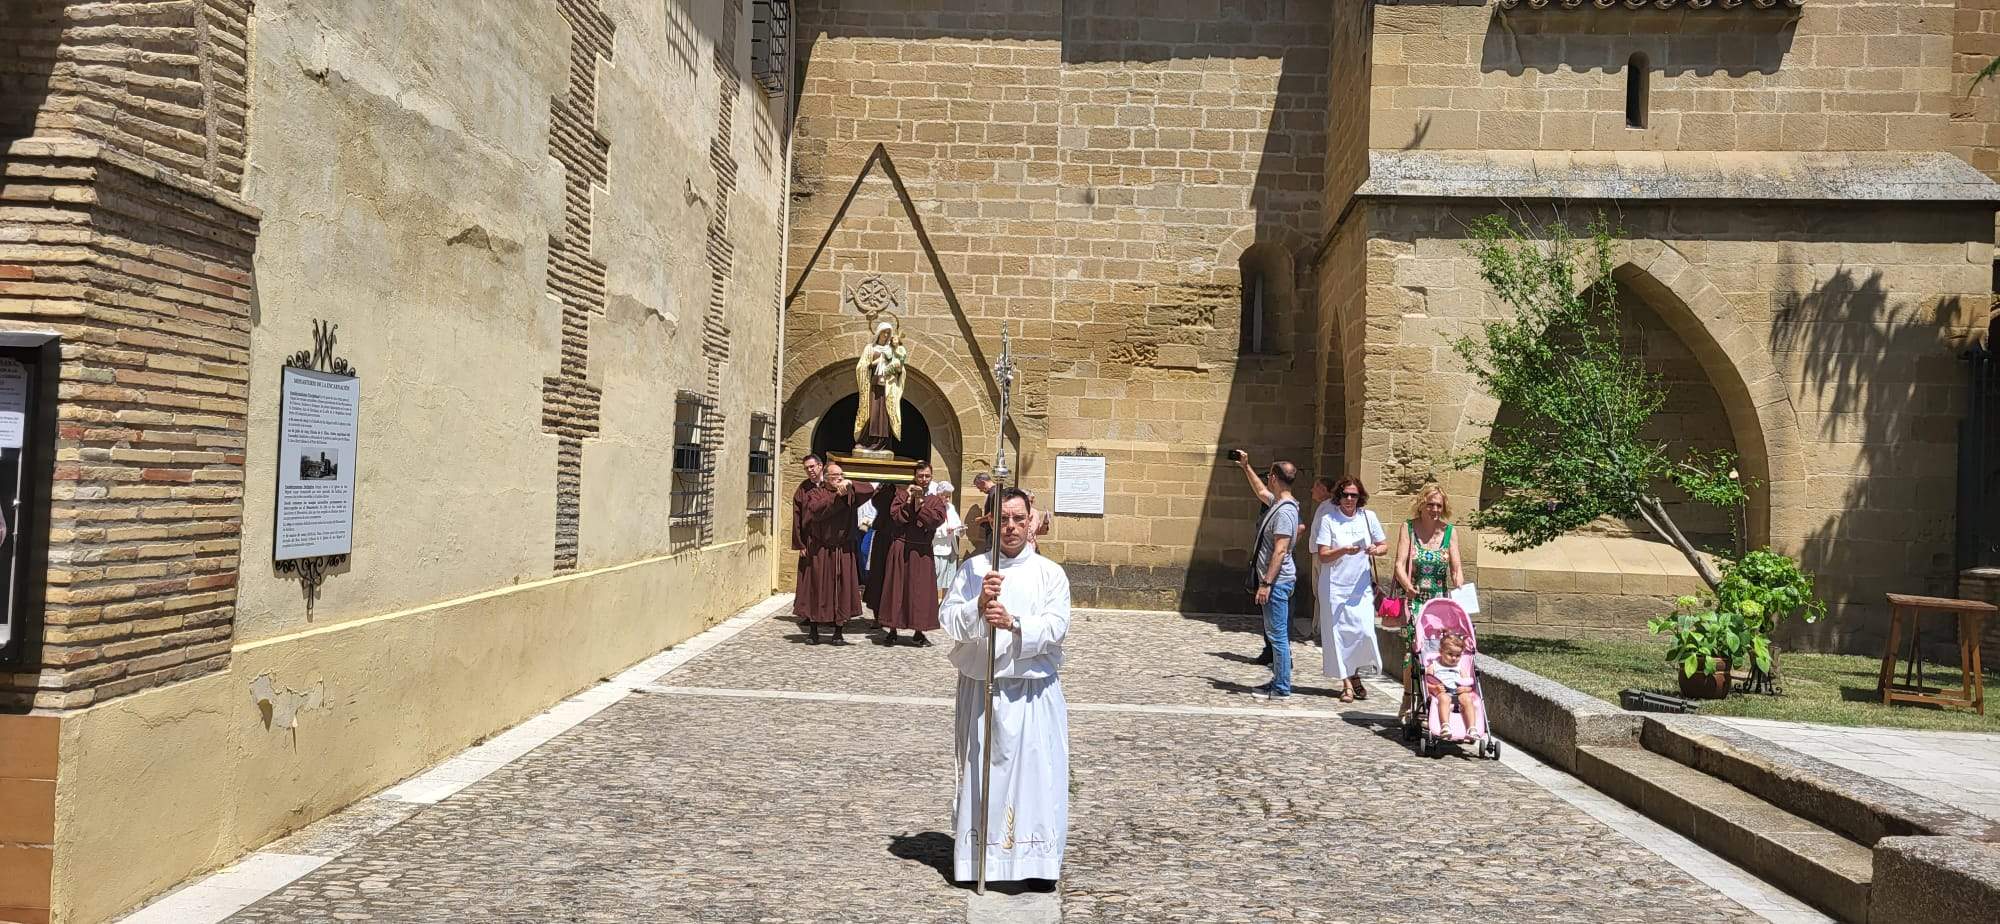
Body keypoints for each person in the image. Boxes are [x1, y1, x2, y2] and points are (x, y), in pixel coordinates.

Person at [940, 488, 1070, 885]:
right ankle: (983, 861)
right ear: (990, 522)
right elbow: (948, 619)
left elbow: (1057, 625)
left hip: (1031, 692)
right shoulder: (975, 569)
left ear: (1031, 521)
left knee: (1036, 773)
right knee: (984, 772)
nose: (1011, 527)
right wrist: (977, 607)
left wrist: (1015, 624)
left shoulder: (1050, 573)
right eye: (1003, 519)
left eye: (1019, 518)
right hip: (983, 690)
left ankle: (1034, 862)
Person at [1313, 474, 1387, 703]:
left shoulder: (1368, 517)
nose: (1349, 499)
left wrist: (1376, 549)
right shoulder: (1329, 519)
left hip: (1361, 586)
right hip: (1334, 586)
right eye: (1345, 495)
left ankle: (1356, 674)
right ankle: (1346, 682)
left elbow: (1384, 545)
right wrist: (1343, 550)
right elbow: (1323, 555)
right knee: (1337, 635)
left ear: (1360, 497)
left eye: (1353, 495)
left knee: (1364, 631)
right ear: (1338, 496)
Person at [1233, 452, 1299, 703]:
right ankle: (1278, 680)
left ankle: (1282, 686)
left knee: (1278, 636)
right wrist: (1246, 467)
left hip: (1278, 583)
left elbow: (1280, 550)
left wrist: (1267, 583)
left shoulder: (1285, 512)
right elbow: (1261, 493)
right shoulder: (1280, 504)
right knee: (1275, 634)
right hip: (1276, 582)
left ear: (1274, 477)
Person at [792, 461, 875, 644]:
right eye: (835, 476)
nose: (838, 478)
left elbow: (869, 490)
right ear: (827, 478)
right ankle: (813, 631)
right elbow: (815, 510)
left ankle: (838, 631)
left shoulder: (849, 491)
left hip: (841, 548)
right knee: (817, 587)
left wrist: (851, 483)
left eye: (840, 475)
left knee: (840, 589)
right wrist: (837, 495)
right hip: (820, 548)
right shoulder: (815, 492)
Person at [875, 463, 950, 646]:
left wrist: (921, 505)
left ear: (931, 477)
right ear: (915, 476)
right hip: (901, 547)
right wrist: (910, 501)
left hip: (922, 550)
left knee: (919, 591)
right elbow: (896, 517)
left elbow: (935, 520)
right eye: (920, 476)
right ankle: (892, 629)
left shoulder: (936, 500)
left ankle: (919, 630)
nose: (923, 479)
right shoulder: (902, 495)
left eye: (927, 476)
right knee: (896, 587)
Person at [1395, 482, 1465, 609]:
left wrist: (1458, 582)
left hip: (1439, 605)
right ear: (1421, 505)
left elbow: (1456, 569)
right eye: (1430, 504)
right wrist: (1407, 586)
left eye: (1439, 505)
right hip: (1412, 602)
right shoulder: (1408, 528)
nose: (1435, 509)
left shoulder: (1450, 532)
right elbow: (1399, 565)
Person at [1426, 632, 1482, 743]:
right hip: (1442, 692)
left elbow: (1469, 684)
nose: (1454, 658)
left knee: (1467, 699)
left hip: (1458, 691)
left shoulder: (1460, 668)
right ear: (1441, 652)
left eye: (1457, 655)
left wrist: (1466, 689)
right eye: (1450, 654)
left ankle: (1472, 728)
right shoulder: (1433, 666)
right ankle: (1445, 726)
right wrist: (1434, 688)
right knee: (1444, 699)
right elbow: (1425, 683)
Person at [930, 479, 965, 597]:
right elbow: (930, 528)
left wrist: (960, 529)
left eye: (949, 496)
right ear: (938, 495)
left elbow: (956, 522)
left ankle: (944, 603)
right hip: (938, 548)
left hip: (951, 547)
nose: (948, 499)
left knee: (949, 580)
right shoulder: (931, 507)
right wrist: (945, 531)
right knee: (936, 578)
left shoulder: (951, 507)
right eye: (946, 496)